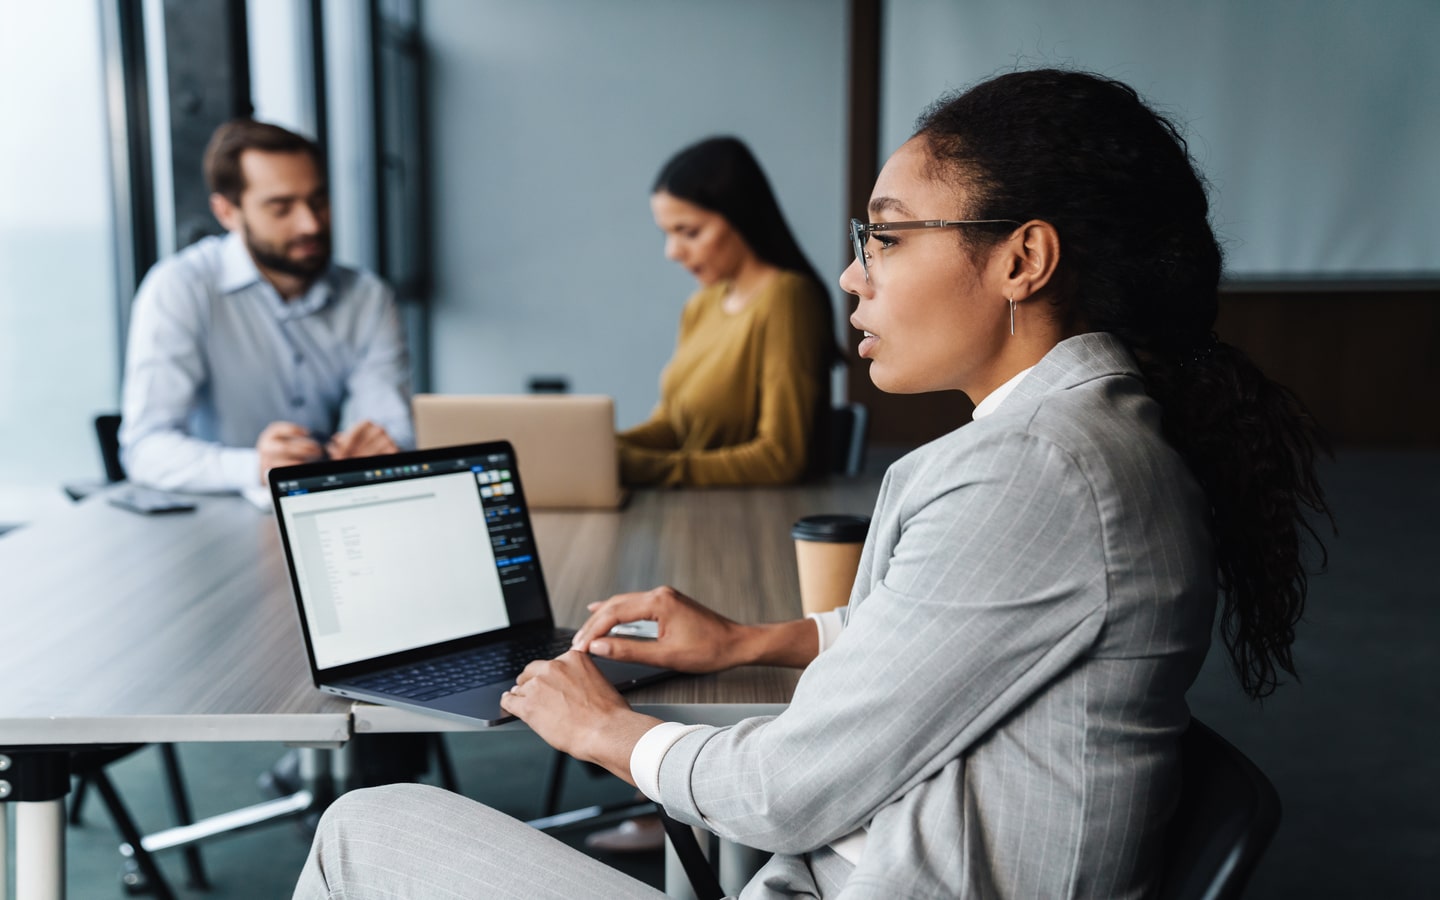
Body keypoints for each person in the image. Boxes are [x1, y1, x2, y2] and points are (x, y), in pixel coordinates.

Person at [291, 69, 1334, 899]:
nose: (854, 274)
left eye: (886, 235)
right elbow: (958, 632)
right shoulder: (1080, 440)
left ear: (1023, 261)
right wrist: (760, 641)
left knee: (360, 829)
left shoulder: (1038, 468)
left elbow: (788, 794)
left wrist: (604, 731)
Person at [119, 118, 413, 493]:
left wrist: (379, 450)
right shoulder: (181, 288)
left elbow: (395, 428)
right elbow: (145, 449)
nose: (310, 224)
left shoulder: (367, 296)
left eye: (318, 200)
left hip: (324, 505)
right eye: (281, 208)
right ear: (227, 213)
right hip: (213, 520)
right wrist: (255, 467)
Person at [617, 136, 837, 487]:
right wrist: (601, 450)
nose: (672, 252)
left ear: (739, 215)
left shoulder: (788, 298)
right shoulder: (700, 305)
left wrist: (637, 467)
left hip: (747, 523)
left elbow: (781, 456)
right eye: (666, 235)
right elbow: (673, 426)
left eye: (688, 232)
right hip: (689, 515)